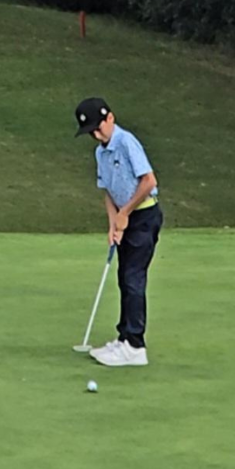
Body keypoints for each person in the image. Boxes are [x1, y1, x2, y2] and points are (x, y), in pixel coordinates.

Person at [74, 97, 163, 367]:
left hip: (144, 215)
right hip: (126, 218)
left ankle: (135, 346)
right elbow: (108, 191)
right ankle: (124, 338)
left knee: (133, 278)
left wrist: (125, 213)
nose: (96, 134)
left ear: (110, 118)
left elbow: (149, 181)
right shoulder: (100, 152)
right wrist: (114, 221)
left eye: (98, 127)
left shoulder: (126, 142)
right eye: (91, 131)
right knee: (124, 278)